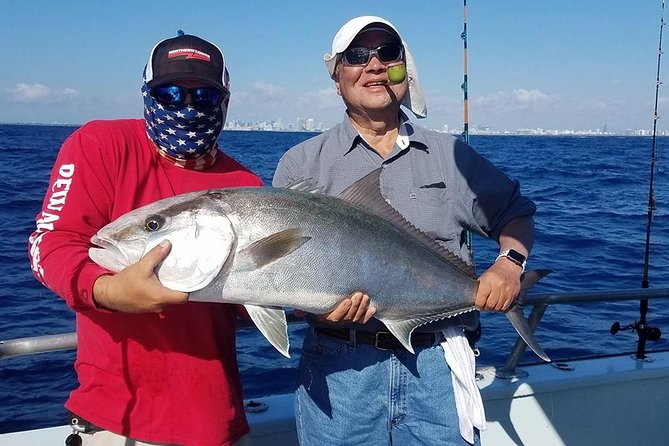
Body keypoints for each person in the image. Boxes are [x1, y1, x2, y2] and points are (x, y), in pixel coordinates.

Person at [273, 16, 536, 446]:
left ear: (404, 71)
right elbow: (286, 270)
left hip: (438, 363)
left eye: (388, 53)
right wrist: (312, 311)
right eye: (357, 56)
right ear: (337, 78)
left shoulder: (451, 155)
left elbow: (517, 212)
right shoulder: (302, 164)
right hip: (340, 367)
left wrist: (509, 266)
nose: (375, 64)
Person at [28, 32, 263, 446]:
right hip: (116, 422)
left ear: (225, 100)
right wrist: (106, 289)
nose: (186, 107)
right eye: (169, 94)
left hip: (216, 418)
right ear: (146, 94)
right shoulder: (100, 144)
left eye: (203, 97)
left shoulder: (244, 184)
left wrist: (306, 297)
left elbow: (242, 305)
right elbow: (50, 243)